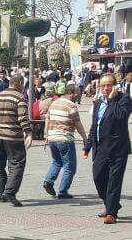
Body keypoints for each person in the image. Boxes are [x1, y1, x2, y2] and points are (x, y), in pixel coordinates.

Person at [83, 73, 131, 225]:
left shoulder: (124, 99)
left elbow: (121, 116)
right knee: (98, 177)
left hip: (118, 149)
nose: (105, 88)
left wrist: (111, 99)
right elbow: (94, 126)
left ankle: (111, 212)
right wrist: (87, 146)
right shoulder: (97, 102)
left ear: (115, 86)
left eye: (109, 85)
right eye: (103, 86)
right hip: (100, 148)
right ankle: (111, 203)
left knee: (114, 181)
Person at [0, 73, 33, 207]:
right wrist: (28, 133)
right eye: (23, 84)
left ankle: (1, 194)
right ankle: (10, 191)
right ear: (19, 83)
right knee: (17, 163)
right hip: (13, 137)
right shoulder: (19, 97)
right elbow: (23, 118)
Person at [42, 82, 87, 199]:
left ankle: (48, 181)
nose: (79, 95)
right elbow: (78, 124)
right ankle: (63, 191)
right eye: (77, 93)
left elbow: (47, 118)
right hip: (65, 138)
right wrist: (84, 137)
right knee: (70, 166)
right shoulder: (71, 106)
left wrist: (46, 134)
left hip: (52, 137)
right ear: (71, 93)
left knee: (57, 161)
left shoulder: (54, 103)